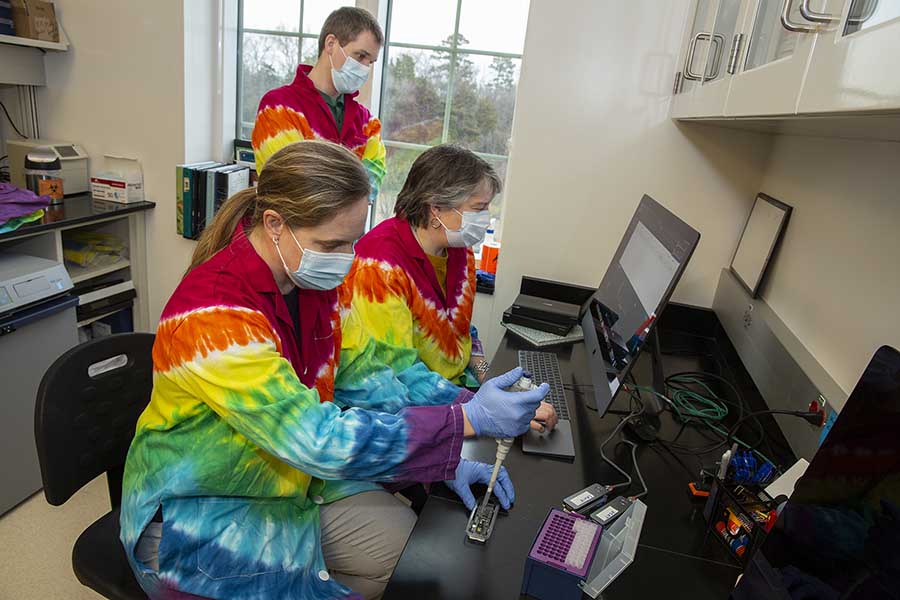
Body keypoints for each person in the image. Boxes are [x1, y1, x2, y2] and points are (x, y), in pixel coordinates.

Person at [119, 141, 548, 600]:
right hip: (207, 510)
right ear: (275, 224)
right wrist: (463, 424)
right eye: (333, 244)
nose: (348, 258)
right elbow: (315, 439)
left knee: (419, 558)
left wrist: (457, 430)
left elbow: (370, 374)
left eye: (352, 241)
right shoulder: (212, 315)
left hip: (291, 485)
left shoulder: (314, 279)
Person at [341, 144, 558, 432]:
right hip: (408, 411)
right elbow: (399, 373)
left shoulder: (458, 249)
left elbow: (462, 331)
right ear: (436, 208)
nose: (485, 218)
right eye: (478, 209)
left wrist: (486, 377)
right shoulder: (379, 267)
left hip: (456, 395)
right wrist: (486, 409)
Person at [252, 7, 386, 201]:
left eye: (370, 62)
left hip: (351, 232)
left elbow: (369, 190)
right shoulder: (277, 108)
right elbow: (291, 186)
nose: (364, 68)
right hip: (291, 230)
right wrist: (349, 184)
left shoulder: (368, 124)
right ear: (331, 43)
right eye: (360, 56)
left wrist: (325, 179)